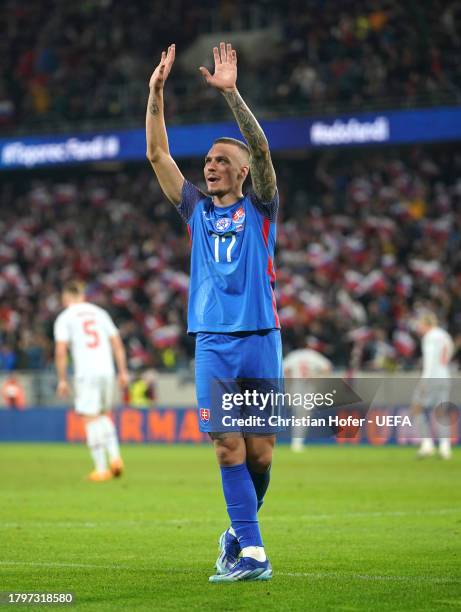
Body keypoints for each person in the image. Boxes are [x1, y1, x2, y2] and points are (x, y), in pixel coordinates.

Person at [146, 42, 281, 582]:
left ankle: (237, 534)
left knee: (262, 457)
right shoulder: (195, 211)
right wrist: (156, 93)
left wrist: (231, 96)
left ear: (244, 171)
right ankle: (253, 553)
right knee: (228, 447)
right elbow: (158, 156)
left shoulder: (262, 207)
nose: (211, 165)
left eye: (222, 160)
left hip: (260, 336)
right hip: (213, 342)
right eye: (208, 161)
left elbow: (266, 153)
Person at [54, 280, 129, 481]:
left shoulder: (65, 317)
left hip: (86, 373)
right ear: (83, 296)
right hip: (107, 370)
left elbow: (61, 351)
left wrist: (62, 379)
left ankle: (101, 468)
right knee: (104, 415)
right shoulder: (100, 313)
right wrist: (122, 372)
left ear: (66, 297)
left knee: (90, 418)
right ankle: (115, 457)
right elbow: (117, 344)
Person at [411, 312, 454, 459]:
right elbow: (449, 354)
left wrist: (424, 380)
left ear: (426, 323)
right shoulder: (445, 335)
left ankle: (427, 444)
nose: (418, 327)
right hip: (445, 376)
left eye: (420, 324)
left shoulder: (430, 337)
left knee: (416, 408)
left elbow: (430, 361)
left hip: (432, 378)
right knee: (441, 412)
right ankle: (445, 448)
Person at [284, 346, 333, 452]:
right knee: (303, 416)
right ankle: (297, 443)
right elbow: (327, 367)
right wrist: (318, 377)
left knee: (298, 414)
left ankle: (296, 442)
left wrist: (288, 384)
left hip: (296, 386)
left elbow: (285, 370)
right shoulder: (313, 355)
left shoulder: (294, 355)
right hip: (308, 385)